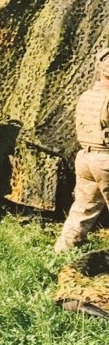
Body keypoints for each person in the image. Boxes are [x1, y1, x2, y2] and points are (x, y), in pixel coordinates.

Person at [54, 47, 109, 253]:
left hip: (86, 159)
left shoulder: (87, 96)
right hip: (106, 161)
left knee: (81, 212)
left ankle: (61, 254)